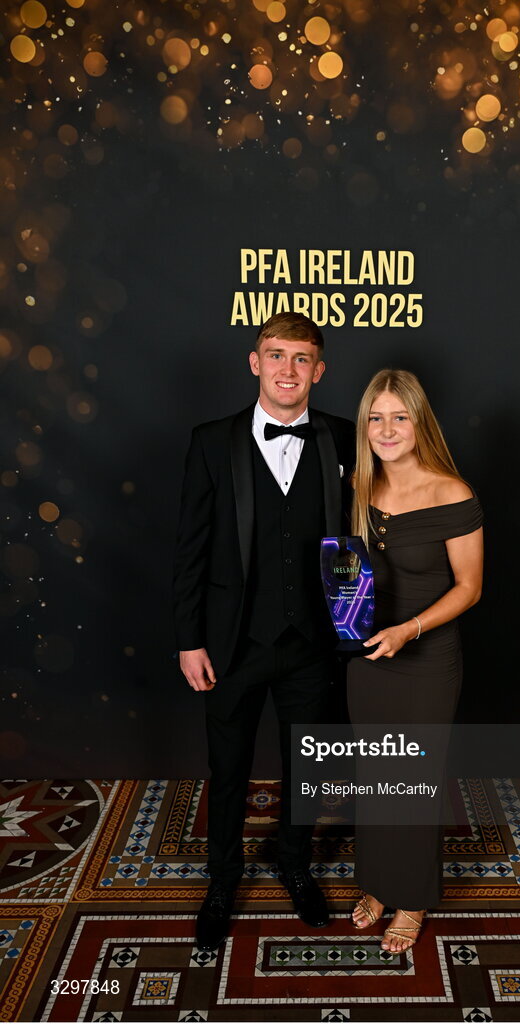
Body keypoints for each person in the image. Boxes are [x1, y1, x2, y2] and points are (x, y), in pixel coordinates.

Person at [173, 312, 355, 951]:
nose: (287, 369)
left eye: (301, 358)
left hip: (312, 644)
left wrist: (354, 628)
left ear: (319, 370)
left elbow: (358, 543)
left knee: (308, 770)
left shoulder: (343, 439)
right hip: (231, 645)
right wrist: (188, 639)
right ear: (255, 363)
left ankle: (295, 863)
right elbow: (190, 549)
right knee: (228, 773)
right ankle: (222, 881)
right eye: (275, 355)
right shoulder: (210, 441)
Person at [347, 368, 483, 954]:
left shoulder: (452, 492)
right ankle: (378, 884)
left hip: (426, 659)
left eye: (399, 416)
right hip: (367, 657)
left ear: (420, 421)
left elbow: (470, 586)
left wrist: (409, 629)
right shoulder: (360, 486)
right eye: (375, 417)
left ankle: (411, 900)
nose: (386, 428)